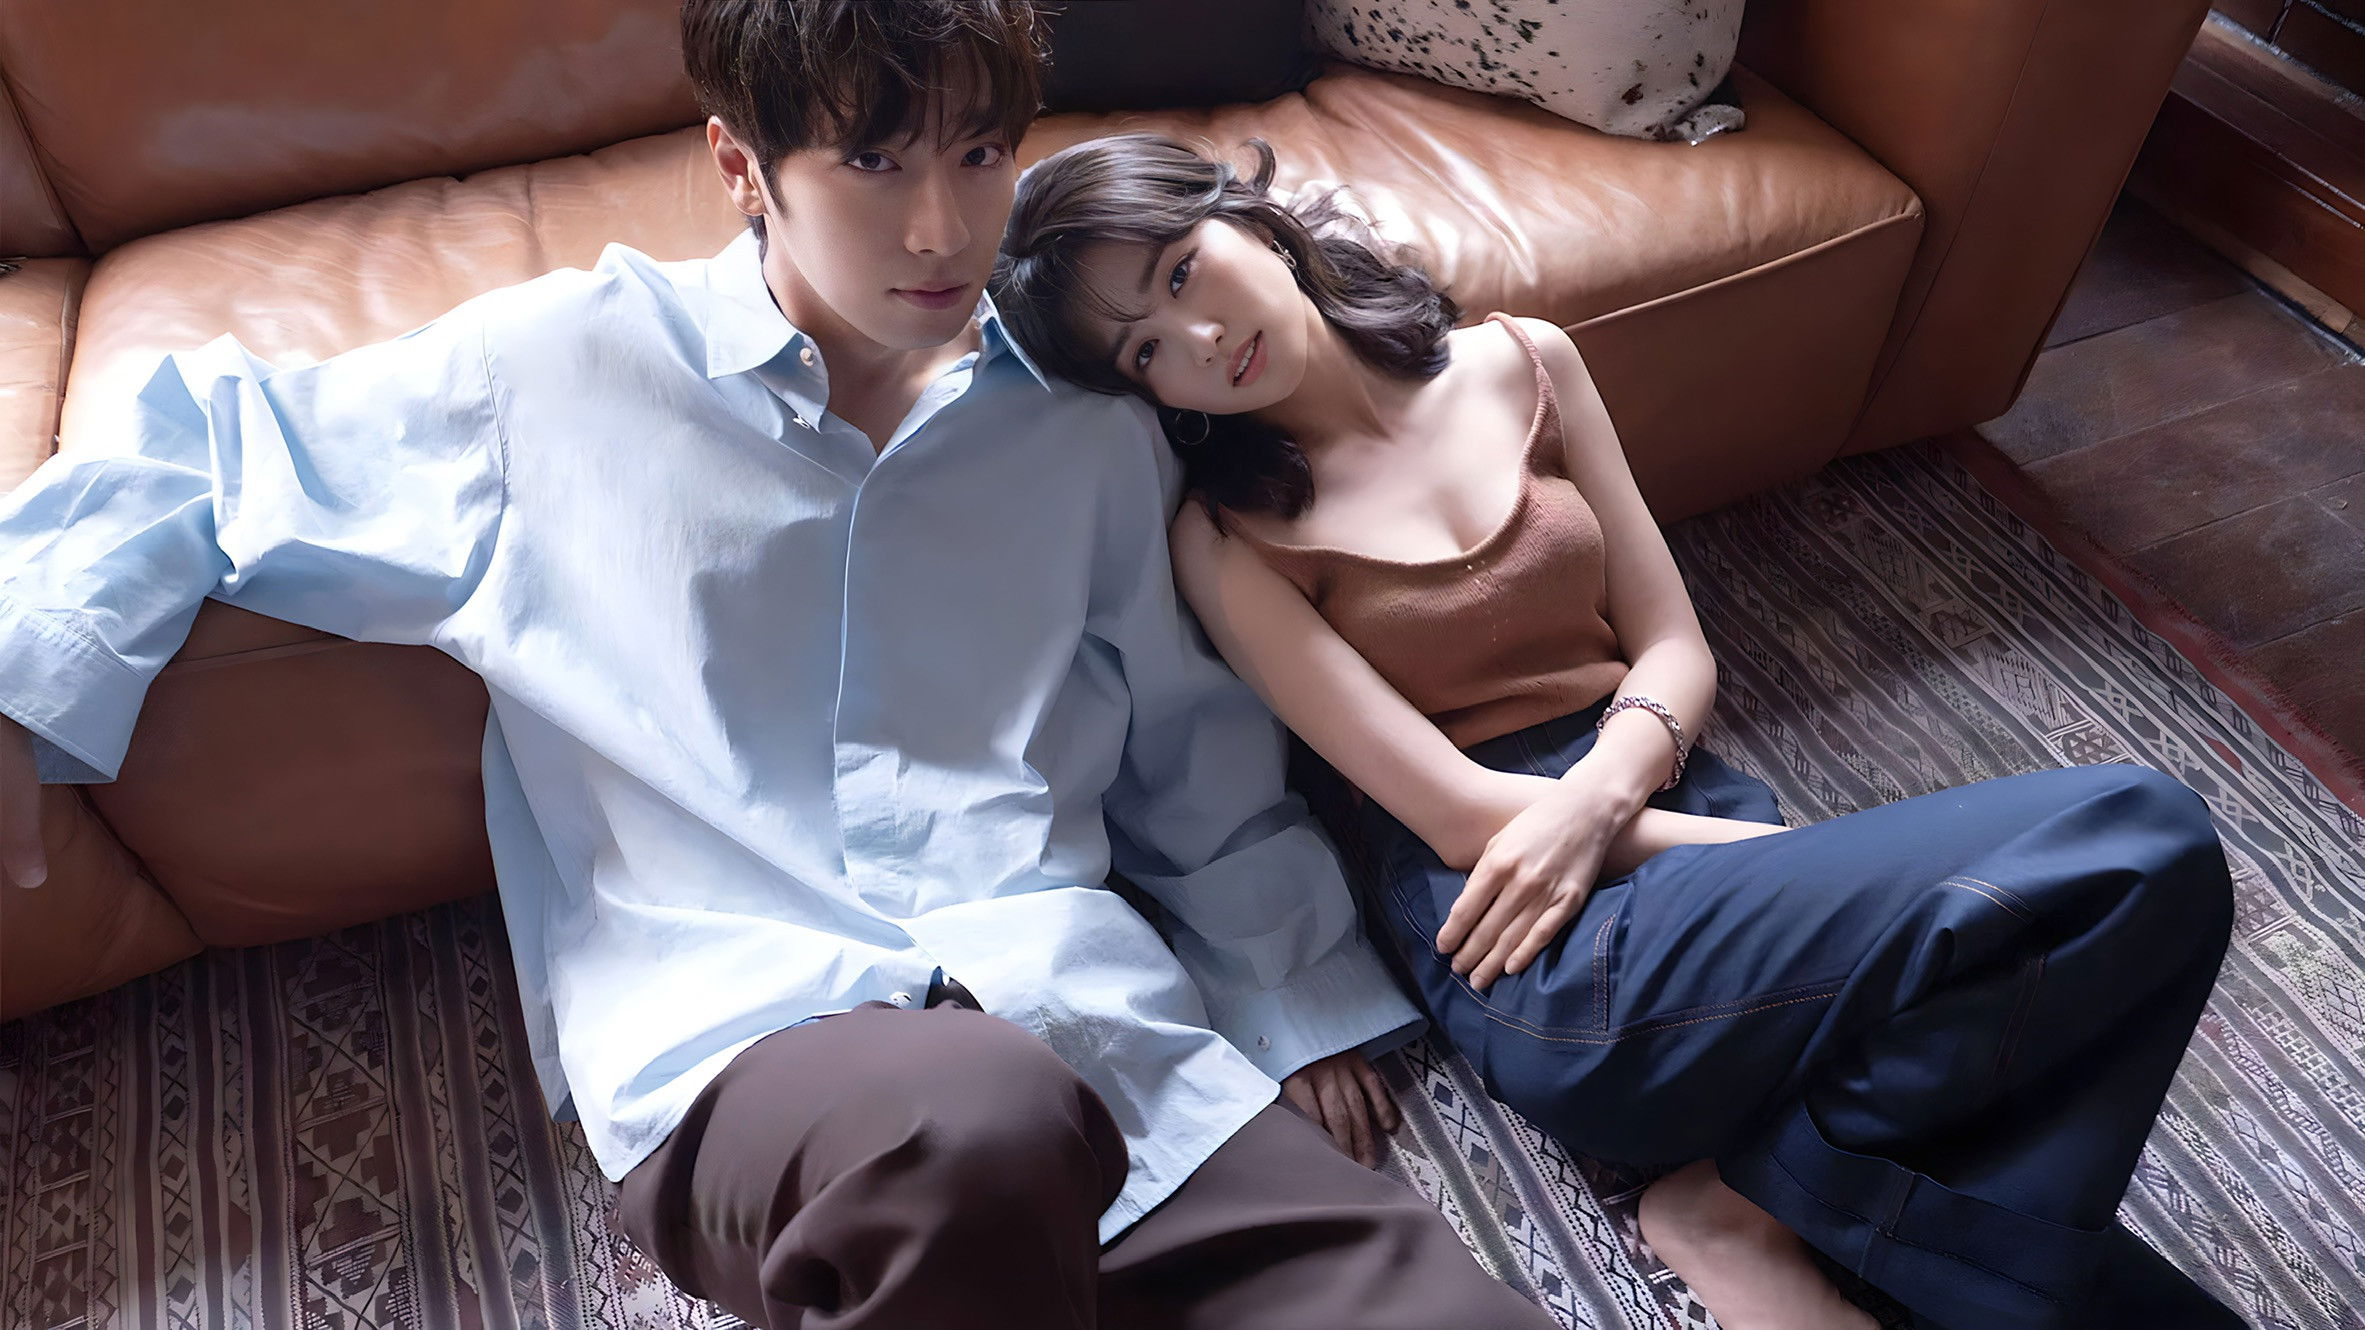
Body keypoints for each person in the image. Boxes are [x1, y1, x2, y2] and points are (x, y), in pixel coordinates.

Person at [0, 6, 1565, 1328]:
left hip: (1098, 1030)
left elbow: (1184, 733)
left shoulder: (1085, 427)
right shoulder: (546, 377)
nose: (943, 228)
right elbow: (204, 446)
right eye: (872, 162)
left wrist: (1288, 989)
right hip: (751, 1049)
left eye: (978, 153)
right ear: (742, 167)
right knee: (978, 1130)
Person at [990, 131, 2246, 1330]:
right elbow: (1454, 814)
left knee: (2059, 1047)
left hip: (1671, 815)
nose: (1202, 341)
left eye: (1181, 274)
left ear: (1250, 221)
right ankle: (1738, 1205)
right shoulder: (1226, 537)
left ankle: (1744, 1198)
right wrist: (1798, 868)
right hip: (1531, 937)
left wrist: (1633, 801)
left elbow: (1674, 646)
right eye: (1147, 351)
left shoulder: (1524, 360)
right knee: (2131, 835)